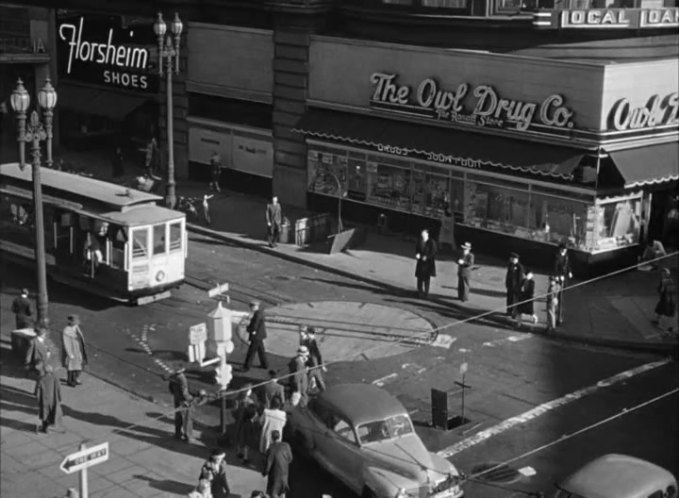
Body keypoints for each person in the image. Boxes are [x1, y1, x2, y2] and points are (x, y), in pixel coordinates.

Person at [168, 365, 201, 442]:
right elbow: (185, 393)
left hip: (176, 398)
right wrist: (191, 399)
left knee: (178, 417)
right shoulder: (182, 378)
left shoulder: (173, 376)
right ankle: (188, 436)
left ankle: (178, 433)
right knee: (187, 418)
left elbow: (170, 388)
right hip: (183, 400)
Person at [262, 430, 292, 498]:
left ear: (271, 438)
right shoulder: (286, 446)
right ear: (279, 437)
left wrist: (264, 473)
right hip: (284, 475)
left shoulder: (271, 449)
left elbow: (268, 464)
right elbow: (290, 459)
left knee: (273, 494)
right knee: (282, 492)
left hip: (275, 476)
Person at [34, 363, 63, 434]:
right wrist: (60, 397)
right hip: (53, 399)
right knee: (52, 412)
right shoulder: (55, 378)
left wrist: (37, 398)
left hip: (44, 399)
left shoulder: (41, 379)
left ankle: (45, 428)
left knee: (44, 413)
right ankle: (49, 425)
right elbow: (59, 389)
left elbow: (37, 390)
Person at [234, 384, 259, 464]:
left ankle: (239, 453)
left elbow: (235, 411)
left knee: (239, 437)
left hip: (239, 422)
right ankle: (245, 457)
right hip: (247, 423)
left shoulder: (238, 401)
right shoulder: (250, 403)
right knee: (246, 441)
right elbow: (255, 415)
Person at [61, 315, 88, 387]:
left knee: (79, 365)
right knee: (71, 367)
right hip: (72, 351)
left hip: (79, 350)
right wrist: (70, 354)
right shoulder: (66, 330)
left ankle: (75, 378)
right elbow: (66, 343)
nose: (76, 323)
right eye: (74, 321)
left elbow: (80, 336)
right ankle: (70, 381)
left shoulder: (76, 327)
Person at [243, 300, 269, 371]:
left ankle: (246, 367)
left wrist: (249, 329)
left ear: (254, 307)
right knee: (261, 351)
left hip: (256, 336)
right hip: (260, 335)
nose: (250, 308)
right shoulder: (260, 313)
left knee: (251, 352)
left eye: (251, 307)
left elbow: (255, 325)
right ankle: (265, 365)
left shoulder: (257, 314)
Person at [300, 326, 327, 392]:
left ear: (310, 333)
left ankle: (322, 391)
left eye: (308, 333)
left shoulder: (314, 342)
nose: (307, 334)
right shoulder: (307, 341)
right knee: (310, 379)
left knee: (318, 380)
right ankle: (308, 392)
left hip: (315, 365)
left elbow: (319, 354)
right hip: (310, 365)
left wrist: (322, 365)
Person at [553, 243, 573, 324]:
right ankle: (558, 316)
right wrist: (557, 276)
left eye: (565, 249)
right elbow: (555, 267)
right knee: (558, 295)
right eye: (563, 249)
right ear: (560, 249)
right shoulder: (557, 256)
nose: (564, 250)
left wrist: (570, 272)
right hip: (559, 277)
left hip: (564, 277)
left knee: (562, 292)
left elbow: (568, 265)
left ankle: (557, 309)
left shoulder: (566, 256)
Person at [415, 229, 437, 298]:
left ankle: (426, 292)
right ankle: (420, 291)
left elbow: (433, 252)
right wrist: (417, 254)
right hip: (421, 262)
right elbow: (417, 249)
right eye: (422, 234)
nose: (422, 235)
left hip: (428, 264)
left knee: (427, 279)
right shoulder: (419, 241)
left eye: (424, 234)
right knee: (420, 278)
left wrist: (427, 257)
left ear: (427, 234)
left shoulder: (431, 242)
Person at [653, 268, 676, 333]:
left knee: (666, 312)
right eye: (662, 273)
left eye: (664, 273)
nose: (662, 274)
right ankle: (657, 321)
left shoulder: (668, 281)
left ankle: (666, 327)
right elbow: (661, 289)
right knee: (659, 310)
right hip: (663, 299)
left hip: (667, 300)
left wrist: (668, 302)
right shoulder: (663, 280)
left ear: (667, 274)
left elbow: (670, 293)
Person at [505, 252, 525, 318]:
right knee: (509, 299)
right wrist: (507, 283)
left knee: (515, 300)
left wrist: (519, 287)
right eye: (511, 258)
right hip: (510, 286)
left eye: (512, 258)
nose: (510, 259)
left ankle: (514, 313)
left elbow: (520, 278)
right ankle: (509, 311)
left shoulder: (519, 267)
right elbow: (508, 275)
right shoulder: (510, 265)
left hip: (516, 287)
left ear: (516, 259)